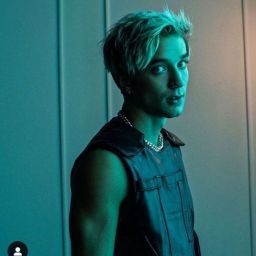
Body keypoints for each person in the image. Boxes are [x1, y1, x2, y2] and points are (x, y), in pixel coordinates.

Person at [69, 8, 201, 256]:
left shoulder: (168, 147)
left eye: (182, 63)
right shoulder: (106, 164)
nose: (178, 80)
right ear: (125, 80)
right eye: (159, 69)